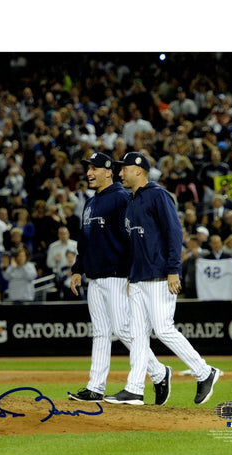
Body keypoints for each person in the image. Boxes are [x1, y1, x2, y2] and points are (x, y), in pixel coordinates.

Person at [105, 152, 220, 405]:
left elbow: (174, 231)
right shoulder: (131, 200)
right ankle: (134, 388)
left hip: (159, 275)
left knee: (164, 329)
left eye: (123, 169)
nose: (120, 173)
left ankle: (204, 371)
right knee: (137, 335)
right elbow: (134, 243)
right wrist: (130, 275)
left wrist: (173, 270)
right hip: (137, 278)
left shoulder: (158, 195)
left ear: (139, 170)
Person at [68, 152, 171, 405]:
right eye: (88, 169)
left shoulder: (121, 198)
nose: (89, 173)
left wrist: (131, 272)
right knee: (101, 333)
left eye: (93, 169)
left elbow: (133, 237)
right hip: (95, 276)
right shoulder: (91, 202)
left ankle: (159, 373)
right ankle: (95, 387)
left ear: (108, 171)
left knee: (124, 330)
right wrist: (77, 269)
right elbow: (85, 240)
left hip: (117, 275)